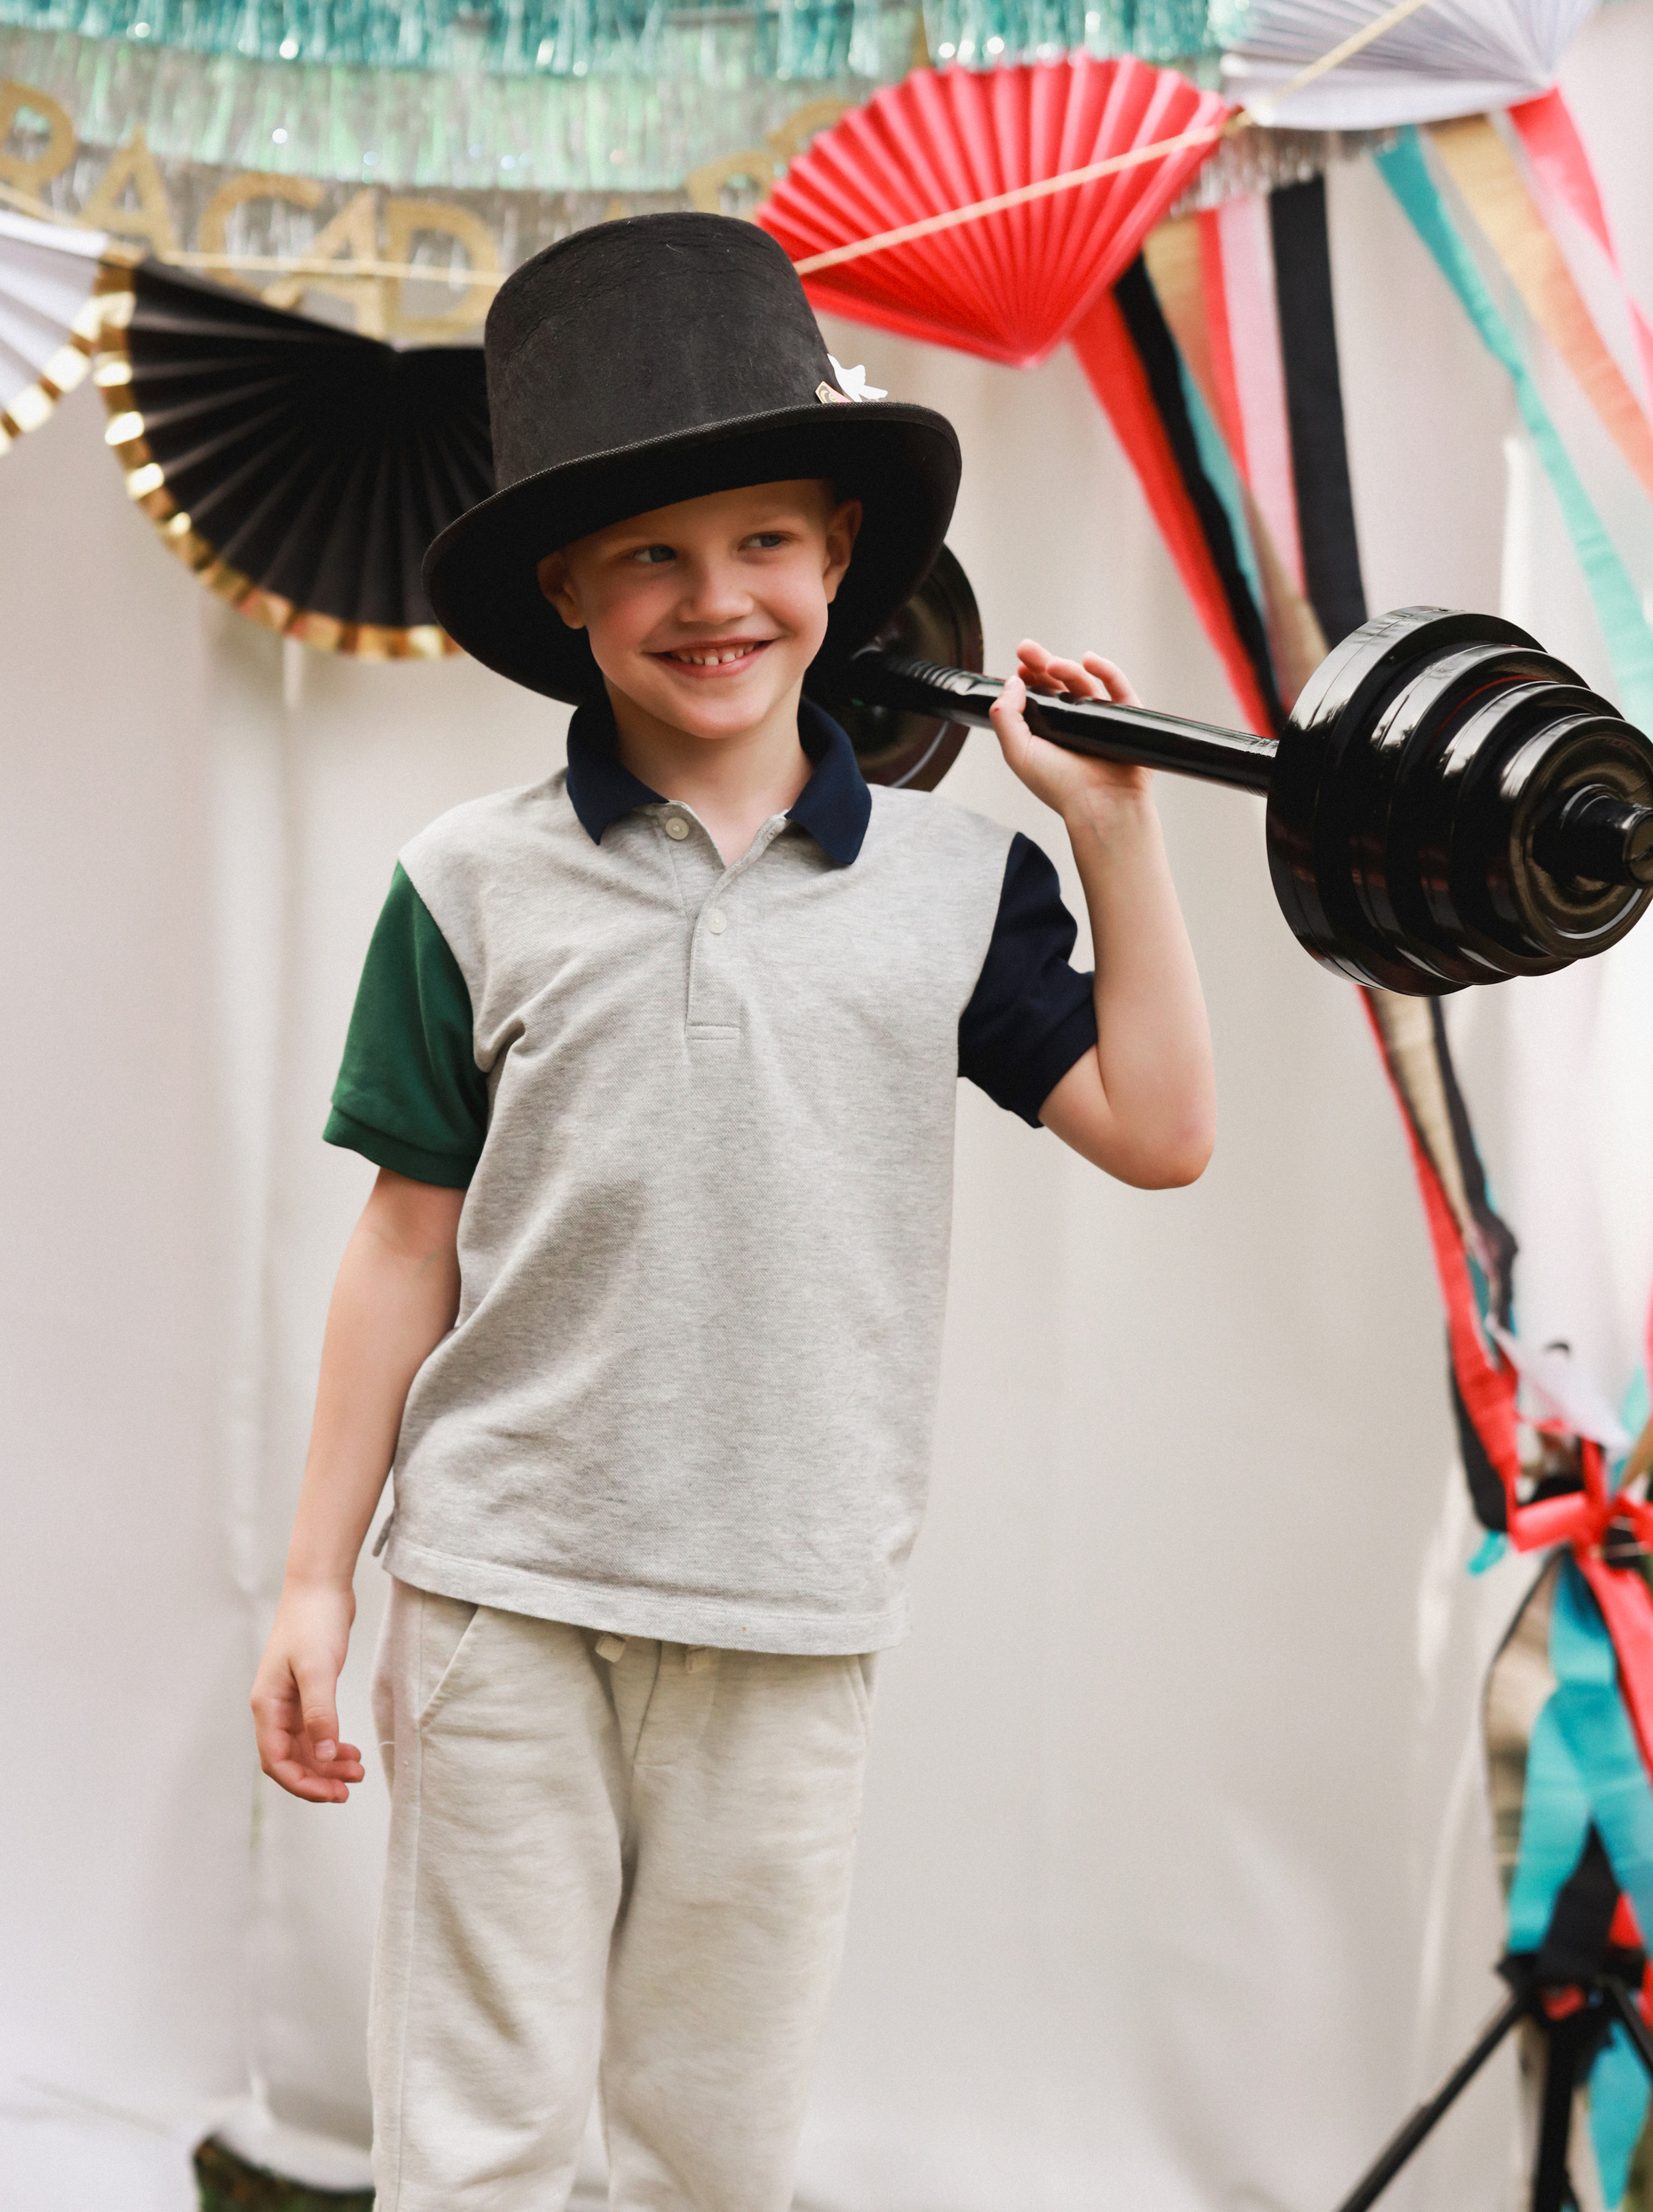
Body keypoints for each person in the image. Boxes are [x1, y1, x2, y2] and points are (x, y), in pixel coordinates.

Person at [249, 213, 1214, 2212]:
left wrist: (1111, 838)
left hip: (790, 1614)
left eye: (766, 540)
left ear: (841, 558)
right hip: (503, 1599)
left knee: (715, 2146)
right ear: (569, 592)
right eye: (655, 556)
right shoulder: (465, 885)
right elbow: (405, 1243)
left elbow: (1158, 1127)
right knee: (482, 2135)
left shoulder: (956, 887)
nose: (719, 600)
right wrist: (318, 1581)